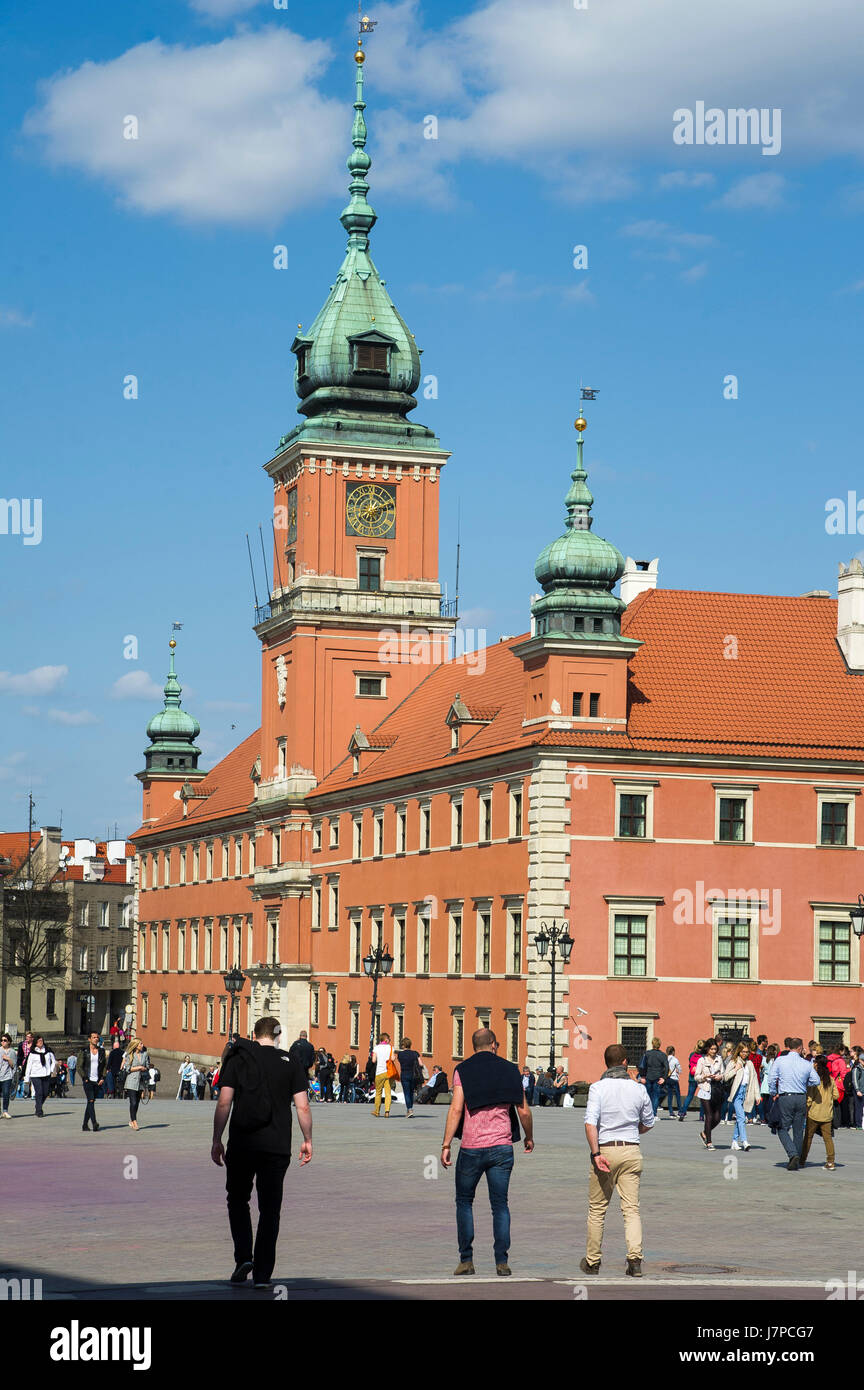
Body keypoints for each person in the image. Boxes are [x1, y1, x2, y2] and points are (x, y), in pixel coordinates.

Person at [211, 1017, 312, 1288]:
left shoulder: (238, 1058)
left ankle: (244, 1256)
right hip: (276, 1147)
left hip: (243, 1143)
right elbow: (302, 1107)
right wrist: (307, 1139)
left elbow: (224, 1102)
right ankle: (263, 1275)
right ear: (278, 1035)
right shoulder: (290, 1062)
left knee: (237, 1200)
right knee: (270, 1210)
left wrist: (216, 1139)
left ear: (254, 1034)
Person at [441, 1028, 533, 1277]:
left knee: (464, 1202)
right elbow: (523, 1111)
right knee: (500, 1204)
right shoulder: (510, 1069)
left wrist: (447, 1144)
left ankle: (466, 1260)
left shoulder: (463, 1070)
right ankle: (501, 1262)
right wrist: (529, 1138)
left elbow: (456, 1109)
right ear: (493, 1044)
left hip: (471, 1147)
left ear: (474, 1046)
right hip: (502, 1147)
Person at [581, 1042, 655, 1278]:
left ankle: (593, 1261)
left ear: (606, 1063)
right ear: (625, 1063)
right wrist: (634, 1132)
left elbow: (590, 1123)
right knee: (631, 1209)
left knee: (597, 1209)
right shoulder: (638, 1089)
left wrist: (596, 1154)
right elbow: (649, 1122)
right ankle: (635, 1260)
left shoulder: (597, 1088)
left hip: (606, 1149)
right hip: (631, 1150)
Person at [769, 1037, 821, 1171]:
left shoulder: (780, 1060)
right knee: (798, 1131)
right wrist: (804, 1084)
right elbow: (816, 1081)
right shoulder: (806, 1063)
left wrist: (773, 1092)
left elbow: (772, 1078)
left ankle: (792, 1155)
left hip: (785, 1096)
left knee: (782, 1128)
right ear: (799, 1048)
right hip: (801, 1097)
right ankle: (795, 1158)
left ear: (789, 1047)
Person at [800, 1056, 839, 1170]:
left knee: (808, 1137)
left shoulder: (815, 1079)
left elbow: (810, 1097)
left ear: (816, 1064)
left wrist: (806, 1108)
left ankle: (802, 1160)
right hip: (827, 1113)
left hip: (814, 1113)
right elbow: (836, 1095)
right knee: (828, 1139)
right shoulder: (830, 1079)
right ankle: (831, 1162)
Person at [725, 1042, 759, 1152]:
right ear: (739, 1051)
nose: (745, 1054)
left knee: (741, 1117)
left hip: (746, 1093)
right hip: (736, 1093)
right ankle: (744, 1141)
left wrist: (757, 1095)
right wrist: (735, 1069)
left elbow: (754, 1080)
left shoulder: (750, 1064)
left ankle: (734, 1141)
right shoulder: (733, 1062)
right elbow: (725, 1077)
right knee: (741, 1117)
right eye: (743, 1051)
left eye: (747, 1052)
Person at [694, 1041, 724, 1149]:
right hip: (705, 1089)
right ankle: (709, 1142)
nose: (713, 1051)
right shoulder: (701, 1060)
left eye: (715, 1049)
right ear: (707, 1049)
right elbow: (696, 1076)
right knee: (709, 1116)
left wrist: (719, 1077)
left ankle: (704, 1133)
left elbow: (723, 1073)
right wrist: (705, 1076)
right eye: (711, 1049)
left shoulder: (719, 1059)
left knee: (717, 1117)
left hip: (716, 1089)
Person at [23, 1036, 56, 1117]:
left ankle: (38, 1105)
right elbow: (29, 1066)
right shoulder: (32, 1053)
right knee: (39, 1092)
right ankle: (39, 1110)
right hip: (35, 1075)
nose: (40, 1042)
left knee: (45, 1093)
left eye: (41, 1040)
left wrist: (51, 1070)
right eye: (39, 1041)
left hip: (46, 1074)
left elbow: (54, 1061)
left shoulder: (48, 1051)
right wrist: (27, 1078)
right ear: (36, 1043)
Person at [637, 1037, 669, 1117]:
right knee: (656, 1096)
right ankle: (653, 1114)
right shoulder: (663, 1055)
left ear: (652, 1044)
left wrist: (642, 1076)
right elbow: (667, 1067)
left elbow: (641, 1065)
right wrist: (664, 1078)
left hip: (648, 1076)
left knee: (648, 1096)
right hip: (658, 1077)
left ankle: (647, 1114)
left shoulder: (647, 1053)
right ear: (659, 1045)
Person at [81, 1031, 106, 1131]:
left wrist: (102, 1078)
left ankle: (84, 1125)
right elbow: (79, 1066)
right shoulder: (84, 1051)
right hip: (88, 1080)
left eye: (97, 1037)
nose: (96, 1039)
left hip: (97, 1080)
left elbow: (104, 1065)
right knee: (91, 1100)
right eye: (94, 1037)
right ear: (89, 1039)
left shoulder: (101, 1051)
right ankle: (94, 1123)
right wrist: (84, 1077)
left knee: (90, 1102)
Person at [123, 1039, 150, 1130]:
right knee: (133, 1102)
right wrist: (138, 1067)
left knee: (137, 1102)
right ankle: (134, 1121)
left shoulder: (145, 1054)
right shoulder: (129, 1055)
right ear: (136, 1045)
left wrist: (145, 1068)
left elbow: (147, 1066)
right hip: (131, 1080)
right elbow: (127, 1068)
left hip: (141, 1081)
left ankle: (132, 1120)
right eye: (140, 1044)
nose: (142, 1045)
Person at [677, 1041, 705, 1121]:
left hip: (692, 1077)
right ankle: (701, 1116)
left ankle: (683, 1112)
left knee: (689, 1096)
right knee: (703, 1096)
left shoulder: (692, 1054)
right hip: (701, 1078)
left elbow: (690, 1065)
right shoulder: (704, 1056)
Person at [396, 1037, 421, 1116]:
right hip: (413, 1075)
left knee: (406, 1093)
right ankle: (409, 1109)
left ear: (403, 1045)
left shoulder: (400, 1054)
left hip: (404, 1074)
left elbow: (400, 1061)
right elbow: (420, 1064)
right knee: (411, 1092)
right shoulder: (415, 1053)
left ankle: (409, 1109)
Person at [372, 1032, 395, 1117]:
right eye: (389, 1039)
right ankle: (387, 1111)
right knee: (388, 1093)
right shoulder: (391, 1048)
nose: (390, 1040)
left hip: (379, 1072)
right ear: (386, 1039)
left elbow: (373, 1060)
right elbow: (393, 1058)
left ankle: (377, 1111)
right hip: (388, 1072)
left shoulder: (376, 1048)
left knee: (378, 1092)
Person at [1, 1033, 17, 1117]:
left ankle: (5, 1111)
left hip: (7, 1076)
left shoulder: (12, 1052)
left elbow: (13, 1065)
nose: (3, 1042)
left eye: (5, 1040)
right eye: (2, 1040)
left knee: (6, 1093)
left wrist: (8, 1059)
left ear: (9, 1042)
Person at [662, 1046, 681, 1117]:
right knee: (677, 1095)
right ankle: (680, 1111)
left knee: (669, 1095)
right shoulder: (675, 1060)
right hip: (674, 1078)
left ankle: (671, 1112)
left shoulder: (665, 1059)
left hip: (668, 1078)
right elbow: (680, 1070)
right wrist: (677, 1070)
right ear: (673, 1052)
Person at [850, 1046, 864, 1129]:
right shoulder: (857, 1069)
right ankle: (858, 1124)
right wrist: (857, 1090)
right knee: (858, 1108)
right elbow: (854, 1080)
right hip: (859, 1091)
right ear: (860, 1061)